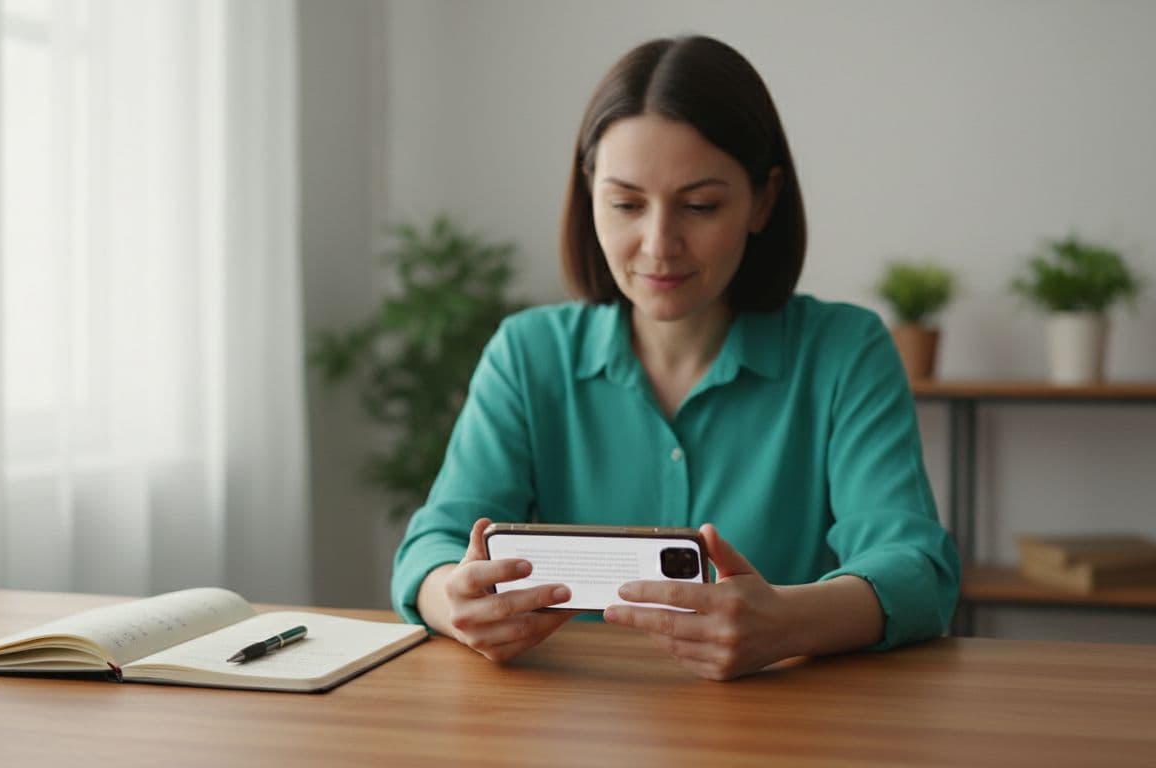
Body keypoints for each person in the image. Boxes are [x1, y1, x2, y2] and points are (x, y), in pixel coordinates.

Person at [391, 35, 960, 681]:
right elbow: (431, 549)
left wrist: (786, 623)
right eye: (627, 204)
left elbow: (916, 570)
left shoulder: (844, 352)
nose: (659, 245)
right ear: (589, 195)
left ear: (763, 200)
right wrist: (452, 599)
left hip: (785, 722)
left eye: (700, 206)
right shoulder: (527, 354)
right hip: (567, 720)